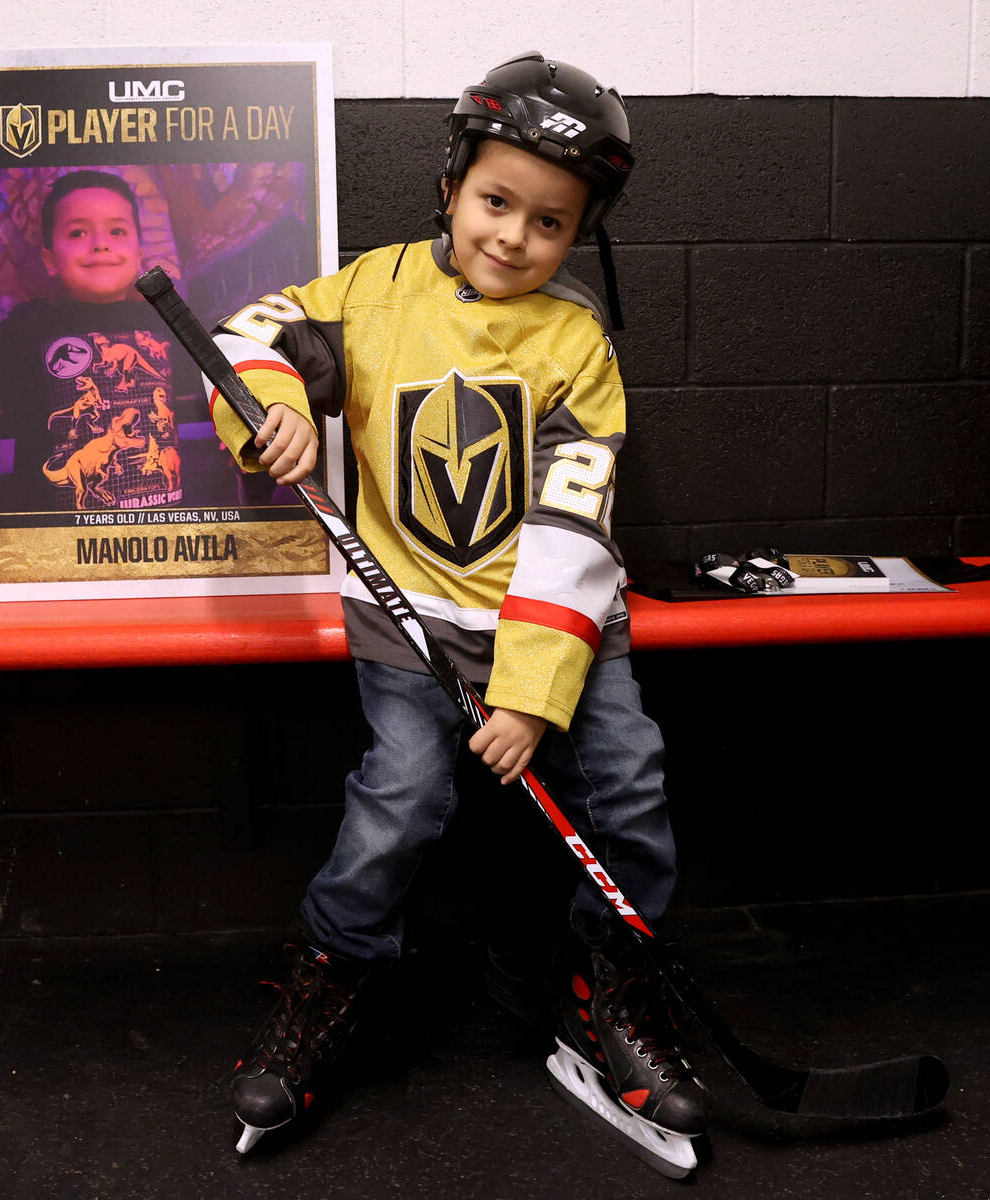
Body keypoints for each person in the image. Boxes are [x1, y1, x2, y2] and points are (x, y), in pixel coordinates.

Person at [207, 53, 709, 1178]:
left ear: (578, 232)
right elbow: (250, 339)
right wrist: (276, 411)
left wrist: (530, 697)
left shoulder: (577, 345)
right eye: (496, 201)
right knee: (402, 795)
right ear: (450, 183)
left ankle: (608, 994)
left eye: (550, 221)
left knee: (627, 779)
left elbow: (572, 528)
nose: (513, 237)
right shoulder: (373, 292)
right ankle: (333, 981)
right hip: (409, 618)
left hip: (556, 621)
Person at [0, 170, 211, 513]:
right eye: (78, 232)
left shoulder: (170, 323)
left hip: (162, 532)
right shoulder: (26, 326)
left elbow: (219, 386)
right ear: (49, 259)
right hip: (53, 538)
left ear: (139, 252)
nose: (100, 243)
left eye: (117, 231)